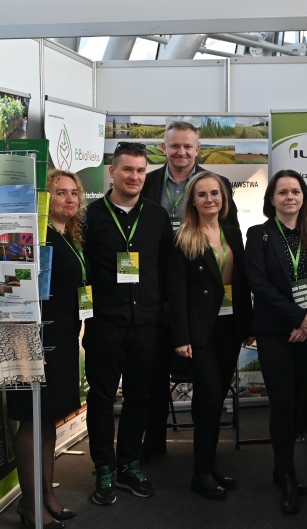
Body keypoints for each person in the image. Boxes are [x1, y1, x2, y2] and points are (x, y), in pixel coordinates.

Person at [140, 121, 239, 462]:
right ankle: (154, 443)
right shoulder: (147, 183)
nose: (181, 152)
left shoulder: (216, 184)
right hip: (153, 291)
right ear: (163, 149)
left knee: (209, 384)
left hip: (200, 298)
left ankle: (204, 454)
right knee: (154, 373)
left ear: (198, 149)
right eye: (174, 146)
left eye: (187, 146)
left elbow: (230, 235)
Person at [82, 142, 173, 505]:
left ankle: (129, 464)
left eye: (140, 170)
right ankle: (104, 468)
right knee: (102, 399)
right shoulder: (90, 217)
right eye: (127, 169)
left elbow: (165, 269)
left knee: (140, 397)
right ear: (112, 172)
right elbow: (83, 271)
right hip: (105, 326)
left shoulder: (157, 216)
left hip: (146, 325)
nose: (134, 176)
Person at [245, 170, 307, 515]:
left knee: (297, 399)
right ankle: (287, 474)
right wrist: (297, 317)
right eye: (282, 192)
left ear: (303, 196)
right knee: (282, 403)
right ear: (272, 199)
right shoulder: (259, 234)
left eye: (295, 191)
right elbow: (259, 284)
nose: (290, 197)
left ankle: (283, 467)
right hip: (274, 331)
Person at [7, 170, 84, 529]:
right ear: (44, 199)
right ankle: (29, 504)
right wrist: (32, 341)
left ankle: (46, 497)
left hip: (63, 339)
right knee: (31, 417)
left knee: (48, 417)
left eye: (74, 193)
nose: (69, 199)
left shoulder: (68, 235)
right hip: (34, 340)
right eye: (60, 193)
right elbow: (15, 288)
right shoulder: (36, 235)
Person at [169, 172, 253, 501]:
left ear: (223, 198)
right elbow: (176, 293)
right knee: (208, 398)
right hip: (199, 331)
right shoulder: (184, 237)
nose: (209, 199)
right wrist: (181, 336)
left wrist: (248, 325)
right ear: (192, 201)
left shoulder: (232, 232)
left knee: (217, 400)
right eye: (202, 194)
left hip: (229, 328)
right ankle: (200, 473)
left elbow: (241, 283)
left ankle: (210, 463)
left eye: (215, 193)